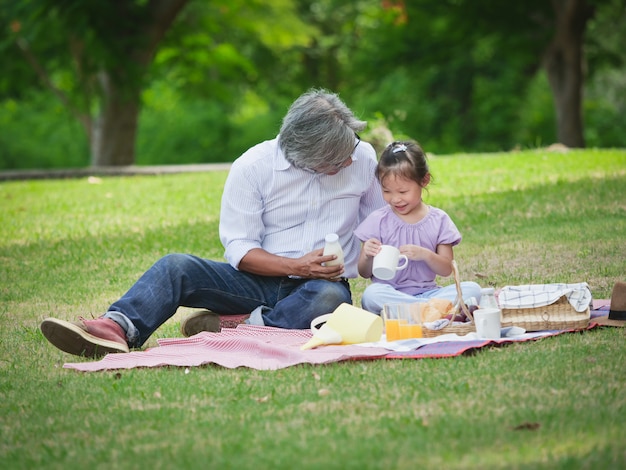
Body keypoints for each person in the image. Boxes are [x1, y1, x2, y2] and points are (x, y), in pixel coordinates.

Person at [40, 89, 386, 358]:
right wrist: (297, 265)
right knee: (176, 266)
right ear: (301, 155)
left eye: (349, 153)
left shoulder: (362, 157)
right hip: (258, 280)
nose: (347, 162)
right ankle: (116, 328)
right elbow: (239, 248)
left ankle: (242, 327)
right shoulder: (252, 167)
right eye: (335, 161)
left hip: (319, 287)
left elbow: (379, 225)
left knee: (328, 298)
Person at [354, 140, 481, 314]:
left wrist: (425, 255)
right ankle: (428, 313)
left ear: (424, 180)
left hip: (430, 294)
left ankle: (414, 312)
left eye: (403, 192)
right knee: (371, 295)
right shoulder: (378, 220)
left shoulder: (439, 220)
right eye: (387, 191)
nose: (395, 199)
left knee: (473, 289)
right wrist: (368, 256)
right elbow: (364, 272)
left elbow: (446, 270)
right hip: (392, 294)